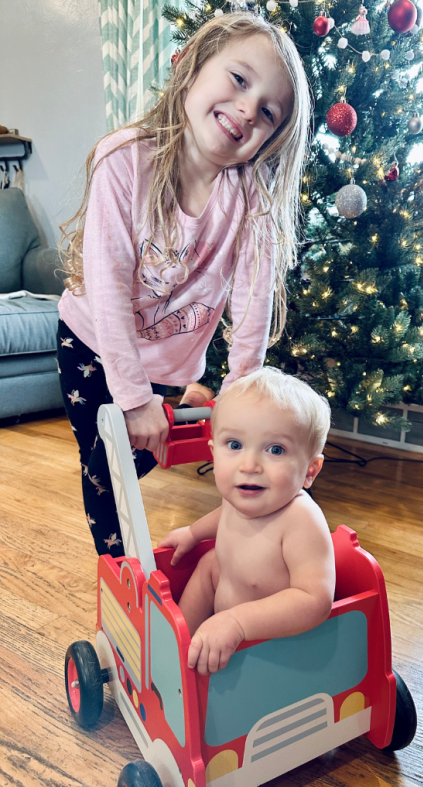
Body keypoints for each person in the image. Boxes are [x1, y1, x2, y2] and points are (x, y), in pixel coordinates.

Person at [56, 13, 312, 556]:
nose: (248, 109)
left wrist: (238, 395)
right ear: (194, 68)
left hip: (169, 363)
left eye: (268, 112)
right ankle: (123, 575)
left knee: (139, 454)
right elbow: (107, 289)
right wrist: (133, 398)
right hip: (91, 343)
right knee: (104, 471)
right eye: (239, 80)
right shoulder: (125, 160)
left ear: (270, 138)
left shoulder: (252, 199)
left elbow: (251, 305)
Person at [158, 367, 336, 675]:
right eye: (235, 445)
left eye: (275, 450)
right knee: (209, 564)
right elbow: (226, 515)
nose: (249, 465)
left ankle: (188, 655)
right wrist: (193, 532)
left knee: (213, 564)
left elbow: (314, 601)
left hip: (270, 650)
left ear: (310, 470)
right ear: (213, 453)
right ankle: (176, 648)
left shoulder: (301, 519)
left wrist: (237, 622)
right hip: (227, 617)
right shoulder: (241, 495)